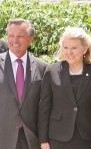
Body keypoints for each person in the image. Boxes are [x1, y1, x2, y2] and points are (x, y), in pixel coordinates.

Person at [38, 27, 91, 149]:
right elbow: (44, 108)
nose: (69, 52)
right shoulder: (52, 71)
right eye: (66, 47)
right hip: (57, 137)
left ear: (85, 49)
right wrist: (43, 139)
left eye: (74, 48)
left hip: (88, 137)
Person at [0, 19, 48, 149]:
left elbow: (46, 108)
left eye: (20, 36)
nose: (15, 40)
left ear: (31, 39)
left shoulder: (43, 68)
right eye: (11, 36)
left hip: (31, 139)